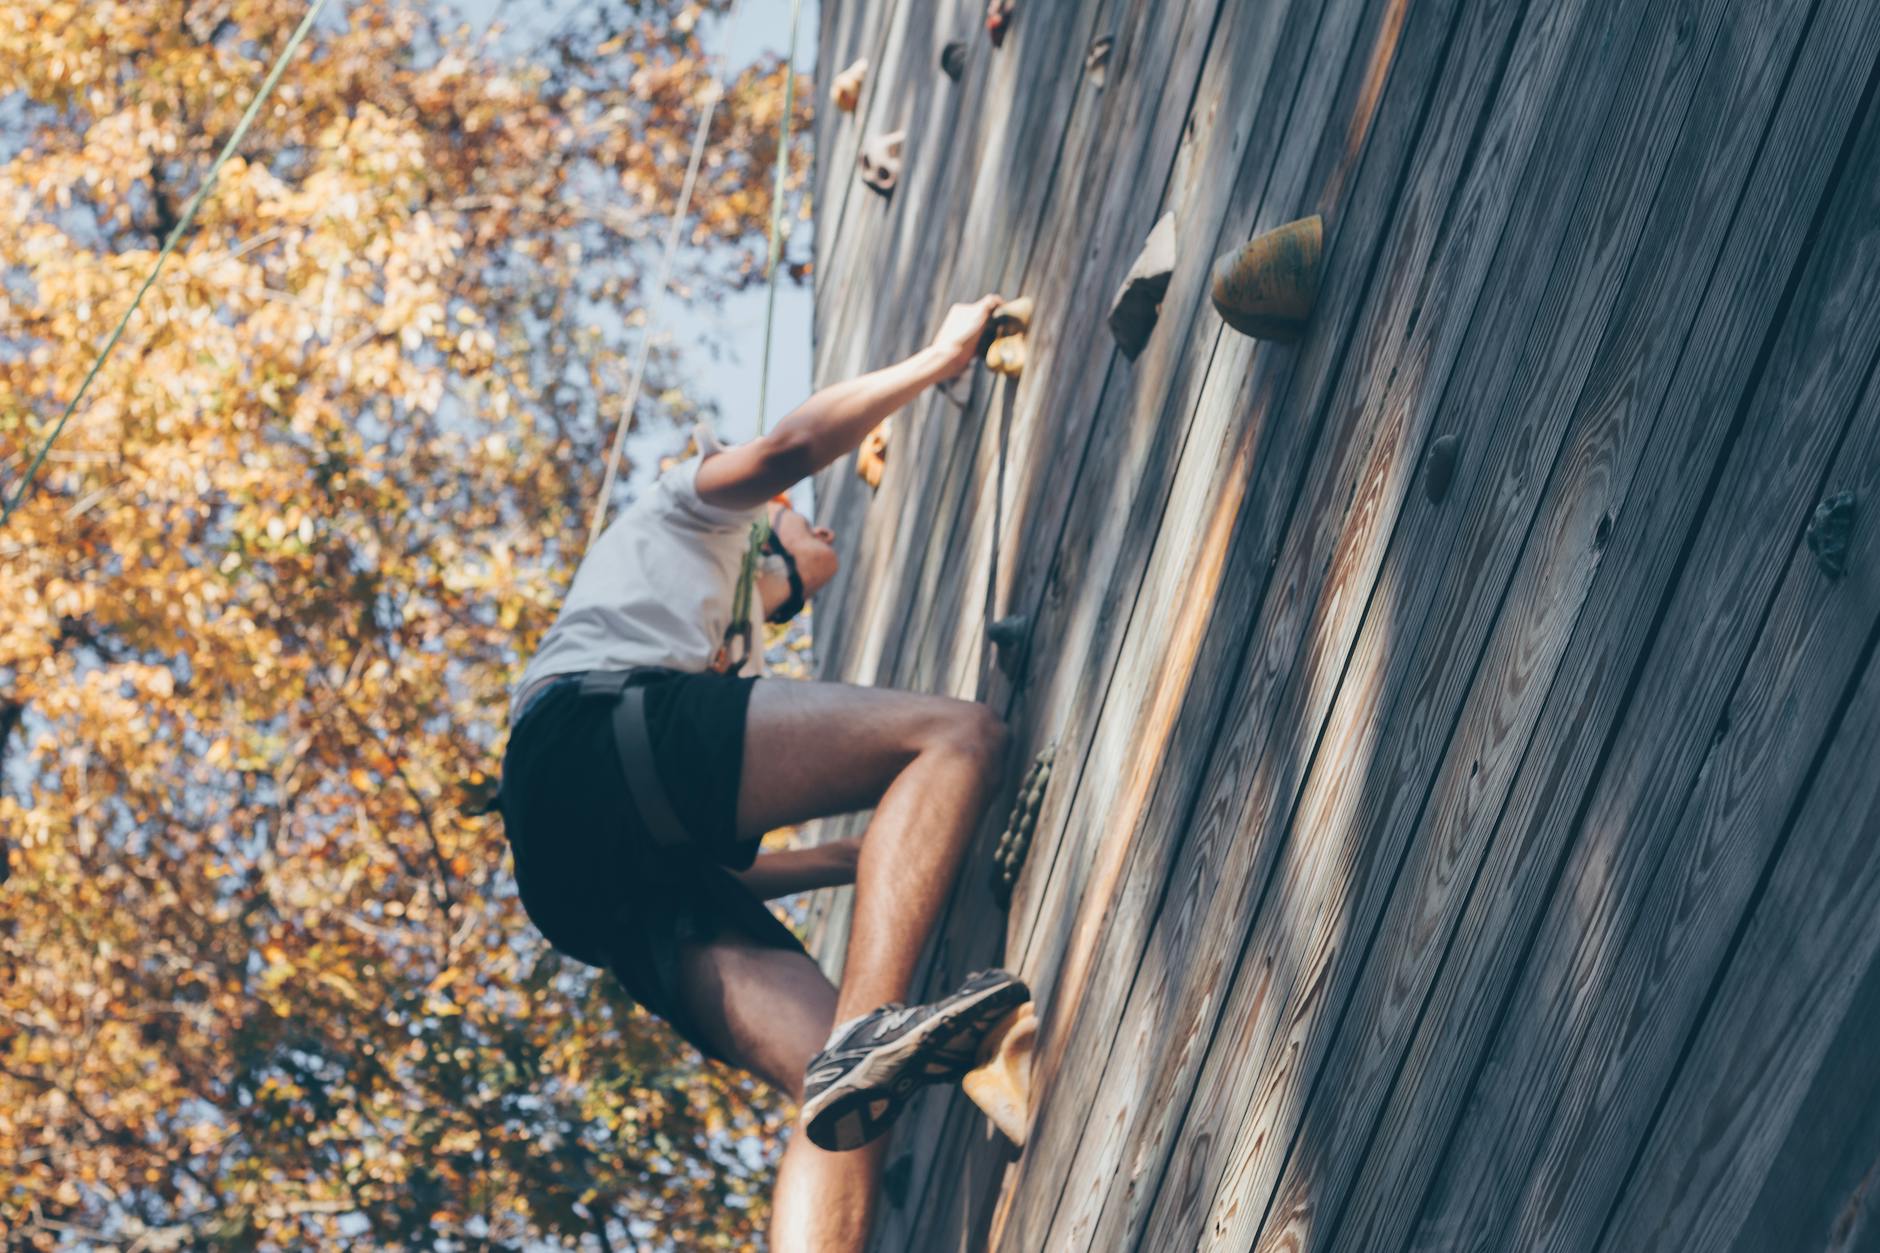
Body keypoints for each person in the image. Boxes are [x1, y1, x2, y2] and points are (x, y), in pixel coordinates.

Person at [498, 293, 1032, 1251]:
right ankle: (872, 1035)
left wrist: (856, 858)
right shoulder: (689, 509)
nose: (822, 529)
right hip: (590, 738)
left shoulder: (704, 654)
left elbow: (720, 862)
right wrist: (937, 360)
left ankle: (859, 1055)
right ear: (764, 525)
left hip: (600, 882)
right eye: (801, 519)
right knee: (959, 737)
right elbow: (791, 447)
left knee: (842, 1097)